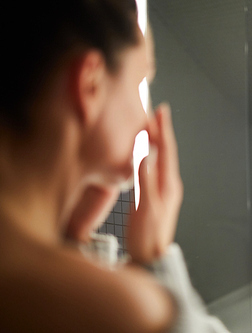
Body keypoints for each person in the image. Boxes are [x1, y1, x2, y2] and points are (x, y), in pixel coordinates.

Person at [0, 1, 227, 332]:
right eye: (140, 83)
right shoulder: (126, 311)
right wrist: (154, 260)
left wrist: (71, 240)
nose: (147, 123)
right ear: (90, 83)